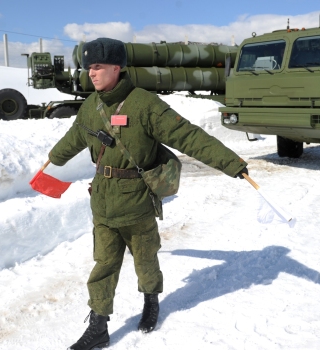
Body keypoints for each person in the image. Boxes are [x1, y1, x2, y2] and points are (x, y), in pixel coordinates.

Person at [49, 37, 248, 350]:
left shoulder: (145, 104)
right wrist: (55, 157)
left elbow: (188, 136)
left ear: (118, 67)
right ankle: (98, 325)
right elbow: (75, 136)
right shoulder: (91, 105)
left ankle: (151, 300)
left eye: (99, 67)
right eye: (89, 67)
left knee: (145, 259)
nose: (92, 73)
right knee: (103, 264)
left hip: (138, 202)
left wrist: (231, 163)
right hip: (102, 201)